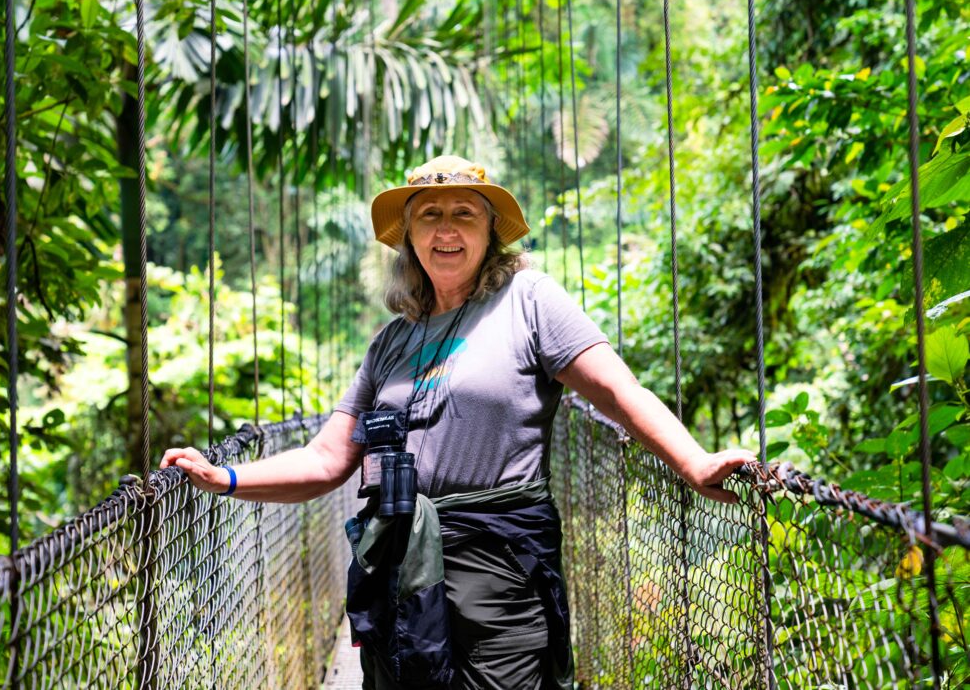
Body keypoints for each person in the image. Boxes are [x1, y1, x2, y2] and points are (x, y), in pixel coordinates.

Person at [161, 155, 756, 690]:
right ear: (410, 237)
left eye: (464, 214)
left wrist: (692, 461)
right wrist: (227, 478)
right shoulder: (389, 343)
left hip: (500, 562)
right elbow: (325, 460)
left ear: (490, 231)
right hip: (400, 561)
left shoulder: (529, 300)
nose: (446, 230)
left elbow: (619, 391)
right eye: (429, 216)